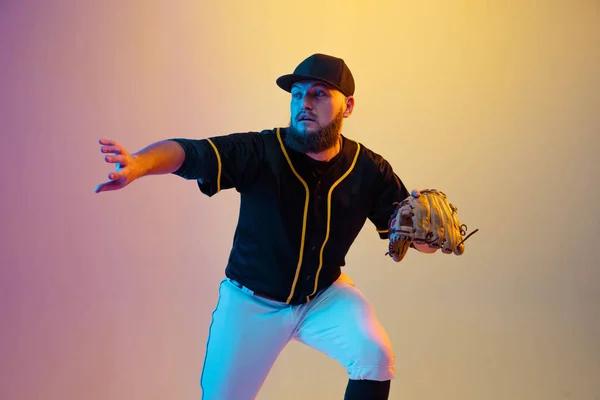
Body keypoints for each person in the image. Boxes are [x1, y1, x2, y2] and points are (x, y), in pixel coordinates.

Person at [95, 53, 428, 400]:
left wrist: (427, 241)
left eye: (319, 94)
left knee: (374, 355)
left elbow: (410, 231)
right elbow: (192, 153)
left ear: (348, 106)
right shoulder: (261, 150)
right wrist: (140, 163)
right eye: (297, 94)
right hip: (251, 304)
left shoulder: (369, 169)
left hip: (322, 297)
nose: (304, 103)